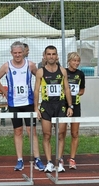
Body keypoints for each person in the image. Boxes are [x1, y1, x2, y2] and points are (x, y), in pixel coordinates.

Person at [0, 41, 45, 171]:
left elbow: (40, 76)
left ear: (24, 53)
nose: (17, 55)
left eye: (19, 53)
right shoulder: (7, 66)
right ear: (11, 53)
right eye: (15, 53)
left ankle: (37, 158)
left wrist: (37, 90)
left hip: (28, 103)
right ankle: (20, 159)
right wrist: (5, 92)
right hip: (14, 104)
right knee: (18, 131)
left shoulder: (30, 64)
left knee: (31, 131)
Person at [34, 45, 73, 173]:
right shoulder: (40, 72)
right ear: (45, 56)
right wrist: (36, 108)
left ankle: (59, 161)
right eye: (49, 54)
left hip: (60, 105)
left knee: (61, 134)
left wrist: (70, 106)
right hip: (46, 106)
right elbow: (36, 90)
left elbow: (67, 89)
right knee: (47, 134)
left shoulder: (62, 71)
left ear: (57, 56)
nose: (51, 56)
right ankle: (50, 162)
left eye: (53, 54)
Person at [66, 52, 85, 170]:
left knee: (75, 133)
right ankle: (60, 158)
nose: (76, 63)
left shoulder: (80, 74)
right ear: (69, 61)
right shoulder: (64, 72)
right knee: (61, 133)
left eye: (78, 61)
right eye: (74, 61)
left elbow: (82, 90)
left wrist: (76, 93)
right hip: (63, 105)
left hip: (76, 105)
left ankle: (72, 159)